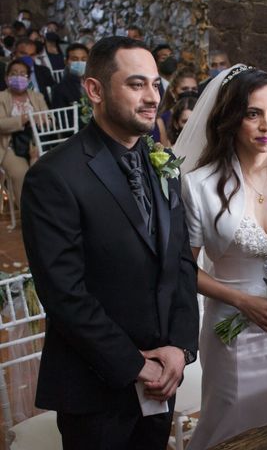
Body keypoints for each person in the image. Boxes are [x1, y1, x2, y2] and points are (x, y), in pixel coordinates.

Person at [20, 36, 199, 449]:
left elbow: (180, 263)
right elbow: (64, 294)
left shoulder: (162, 163)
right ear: (95, 90)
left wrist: (179, 348)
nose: (152, 97)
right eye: (137, 84)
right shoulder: (54, 176)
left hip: (162, 379)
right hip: (96, 388)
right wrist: (136, 364)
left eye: (156, 85)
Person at [174, 65, 267, 448]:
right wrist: (242, 300)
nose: (266, 126)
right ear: (231, 118)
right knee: (231, 424)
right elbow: (183, 267)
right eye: (252, 114)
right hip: (232, 324)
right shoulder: (199, 186)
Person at [0, 59, 47, 206]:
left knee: (45, 172)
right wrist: (24, 119)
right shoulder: (1, 97)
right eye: (14, 74)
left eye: (22, 74)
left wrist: (43, 120)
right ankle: (28, 216)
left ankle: (47, 212)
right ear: (7, 78)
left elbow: (50, 119)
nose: (18, 77)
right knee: (22, 174)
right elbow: (1, 124)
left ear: (28, 77)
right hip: (9, 146)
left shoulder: (37, 97)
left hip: (36, 144)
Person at [156, 67, 198, 145]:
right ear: (173, 92)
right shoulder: (162, 120)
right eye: (185, 89)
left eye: (194, 89)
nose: (190, 92)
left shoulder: (202, 114)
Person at [50, 43, 89, 110]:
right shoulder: (59, 89)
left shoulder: (95, 82)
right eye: (75, 59)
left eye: (83, 59)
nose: (80, 62)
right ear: (66, 62)